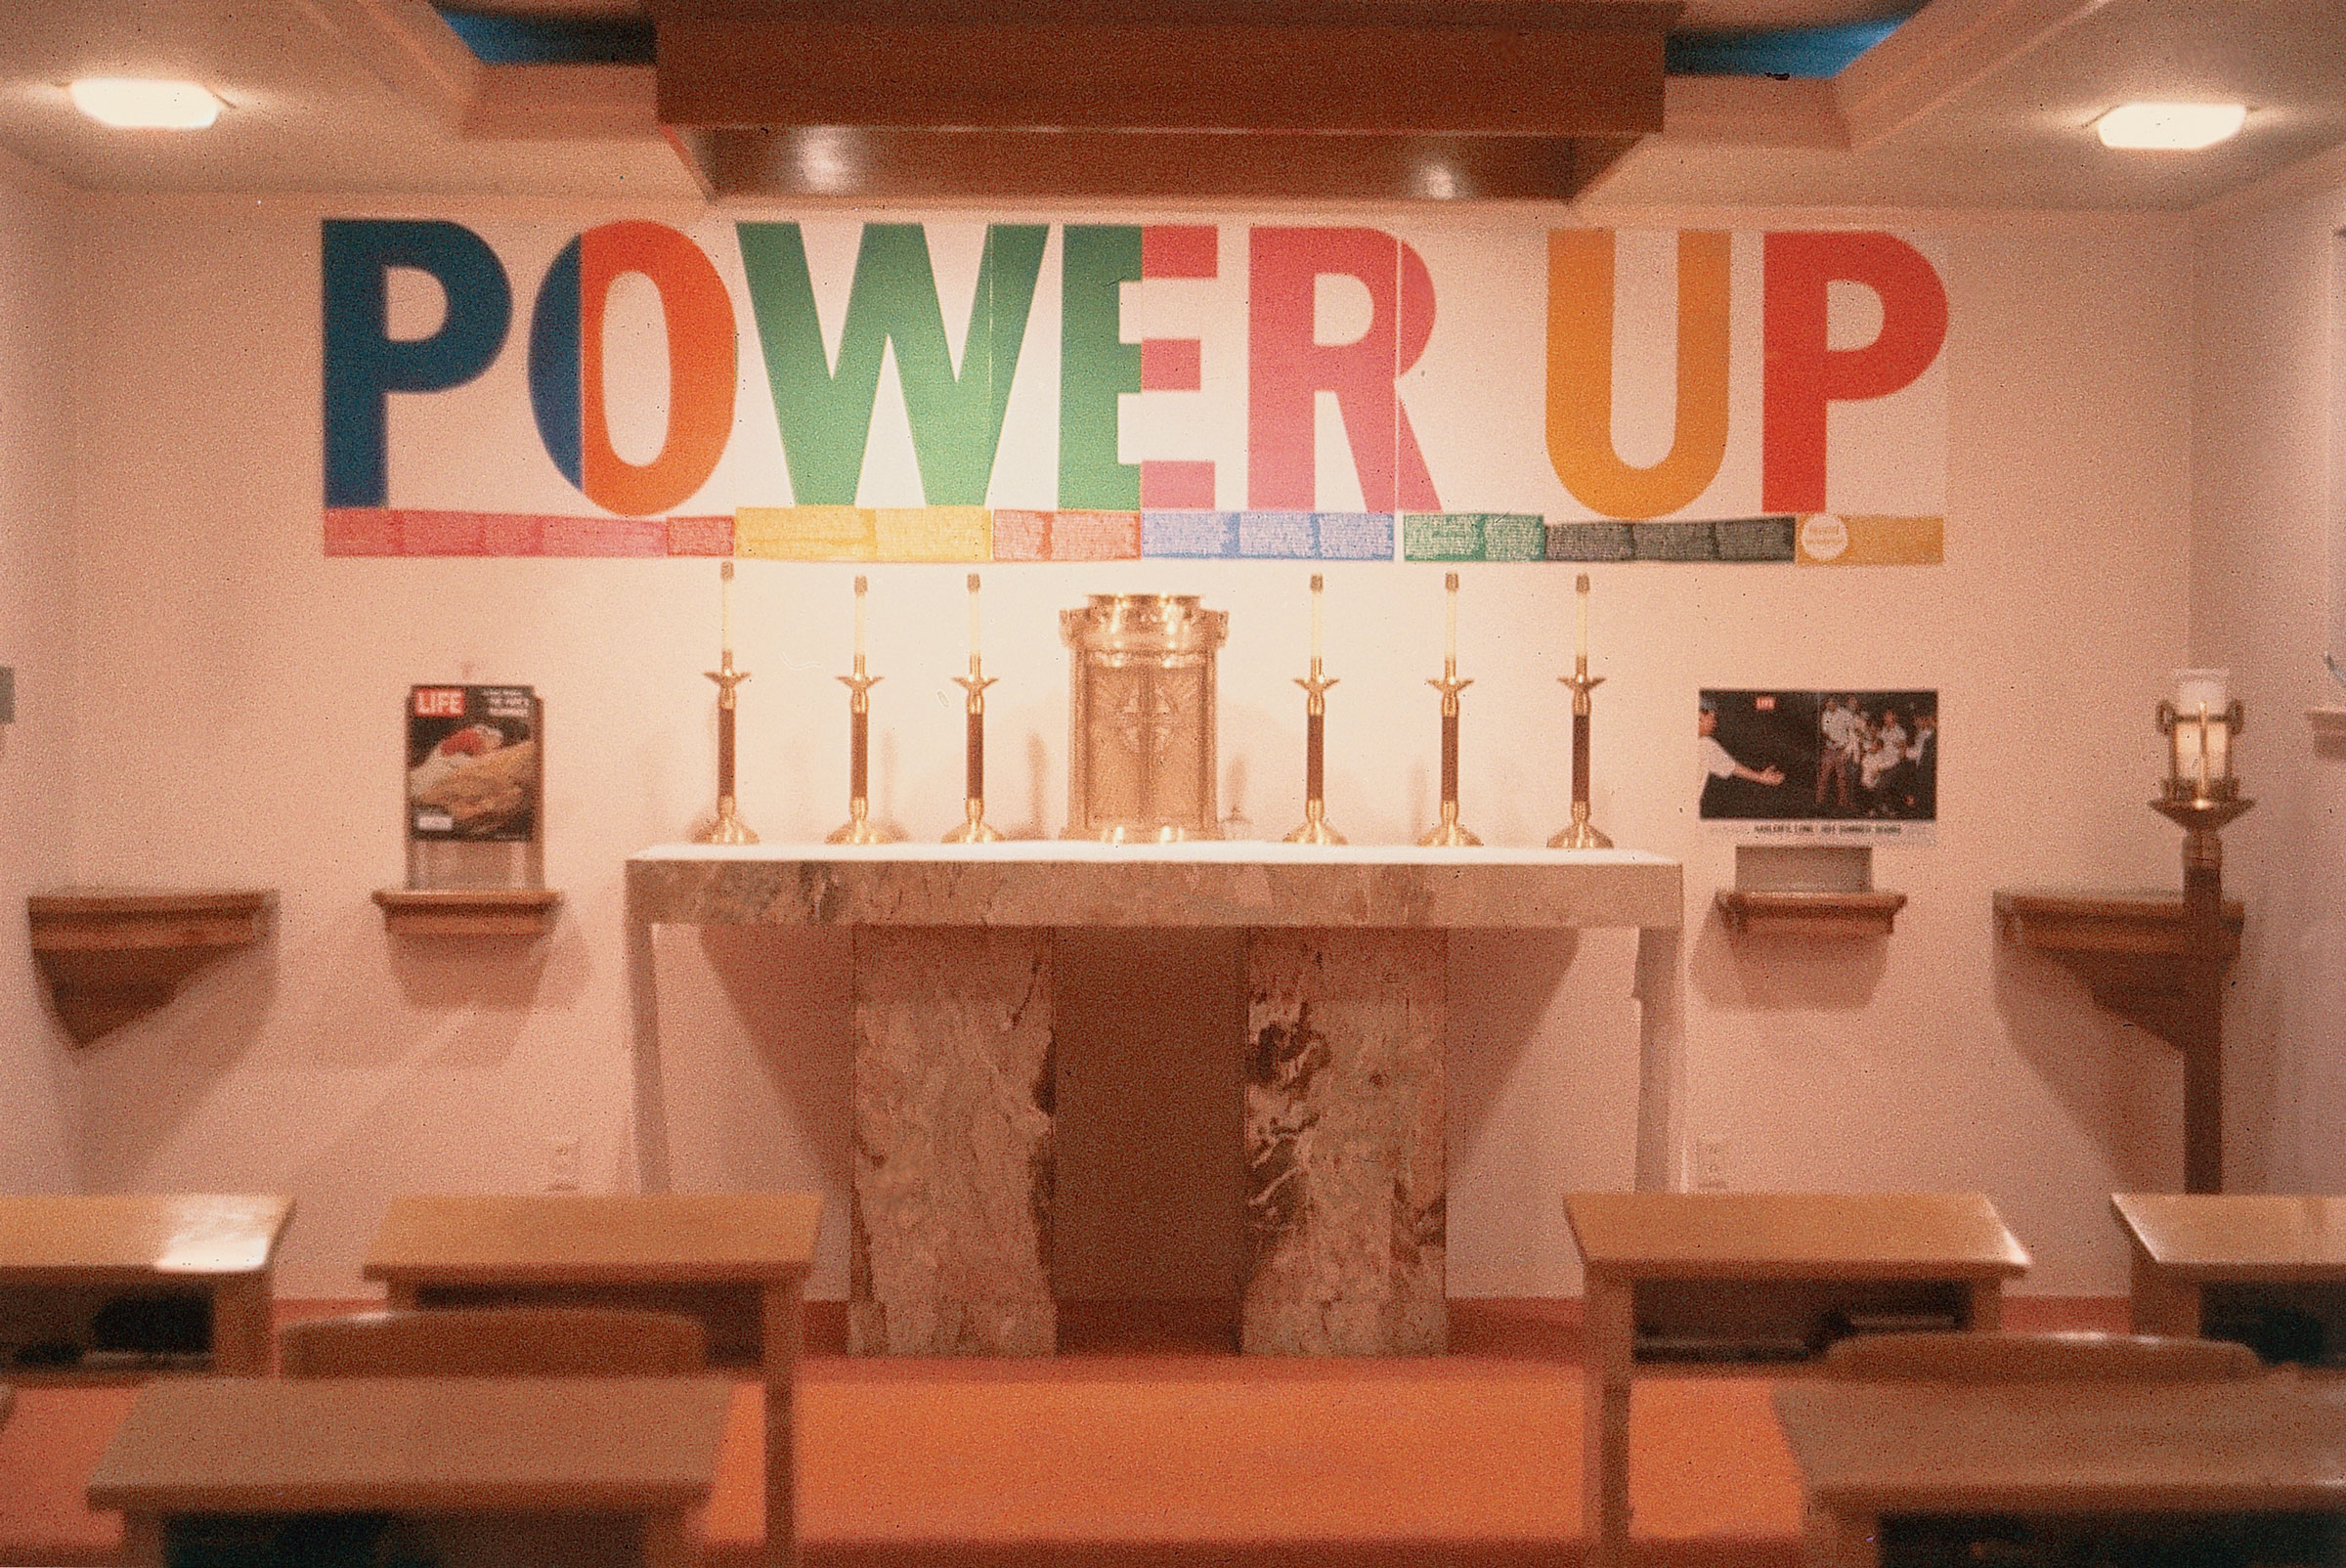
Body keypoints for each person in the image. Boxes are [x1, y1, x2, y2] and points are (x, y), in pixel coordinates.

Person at [1699, 699, 1785, 816]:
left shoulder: (1705, 745)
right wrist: (1760, 777)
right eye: (1711, 717)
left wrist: (1760, 777)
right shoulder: (1700, 744)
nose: (1715, 722)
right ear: (1699, 717)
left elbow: (1731, 767)